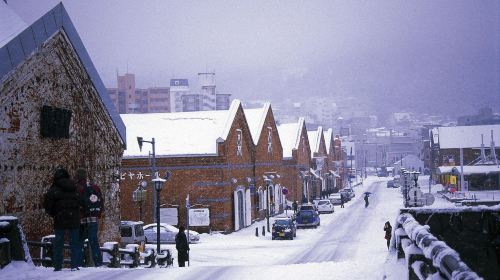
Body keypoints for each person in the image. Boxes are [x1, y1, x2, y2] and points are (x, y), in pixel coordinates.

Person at [43, 168, 81, 271]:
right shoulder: (74, 187)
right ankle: (74, 265)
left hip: (60, 218)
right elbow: (80, 201)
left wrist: (54, 214)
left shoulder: (54, 189)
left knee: (58, 243)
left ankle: (58, 266)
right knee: (74, 243)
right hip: (74, 218)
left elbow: (47, 205)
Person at [75, 168, 104, 267]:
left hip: (81, 220)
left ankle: (79, 264)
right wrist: (97, 214)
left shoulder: (77, 188)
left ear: (77, 176)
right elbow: (101, 202)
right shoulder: (94, 187)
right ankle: (98, 263)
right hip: (93, 219)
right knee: (94, 242)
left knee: (79, 242)